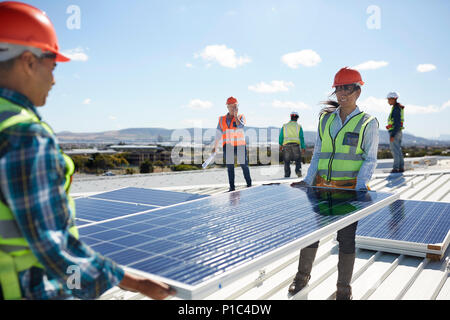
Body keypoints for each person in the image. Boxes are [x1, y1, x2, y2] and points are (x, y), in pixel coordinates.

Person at [0, 1, 175, 300]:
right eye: (52, 67)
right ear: (29, 61)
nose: (54, 80)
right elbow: (52, 246)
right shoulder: (24, 134)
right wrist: (134, 282)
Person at [288, 67, 379, 300]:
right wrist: (308, 181)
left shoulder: (367, 122)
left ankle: (343, 289)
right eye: (339, 88)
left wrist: (360, 188)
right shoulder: (326, 119)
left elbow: (369, 159)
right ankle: (301, 278)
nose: (342, 93)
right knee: (311, 235)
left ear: (358, 91)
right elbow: (318, 153)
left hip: (348, 191)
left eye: (348, 88)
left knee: (346, 239)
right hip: (320, 188)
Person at [212, 96, 252, 192]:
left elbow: (240, 126)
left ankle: (249, 184)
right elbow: (218, 134)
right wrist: (215, 146)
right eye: (230, 106)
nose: (232, 108)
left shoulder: (241, 116)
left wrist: (235, 116)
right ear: (227, 106)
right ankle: (232, 187)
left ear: (237, 106)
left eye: (234, 106)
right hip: (228, 146)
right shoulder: (221, 119)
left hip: (240, 145)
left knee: (244, 165)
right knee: (230, 166)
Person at [279, 111, 306, 178]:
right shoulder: (299, 126)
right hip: (295, 145)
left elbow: (281, 136)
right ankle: (298, 172)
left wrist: (280, 144)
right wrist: (303, 147)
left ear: (291, 117)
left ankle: (287, 175)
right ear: (297, 118)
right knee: (298, 160)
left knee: (287, 161)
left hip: (286, 146)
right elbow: (301, 137)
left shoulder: (284, 126)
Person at [386, 92, 405, 173]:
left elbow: (396, 123)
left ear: (393, 99)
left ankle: (396, 168)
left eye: (389, 99)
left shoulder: (396, 109)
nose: (388, 101)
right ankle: (401, 167)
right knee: (398, 150)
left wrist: (392, 134)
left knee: (395, 150)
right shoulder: (397, 108)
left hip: (395, 132)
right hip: (398, 131)